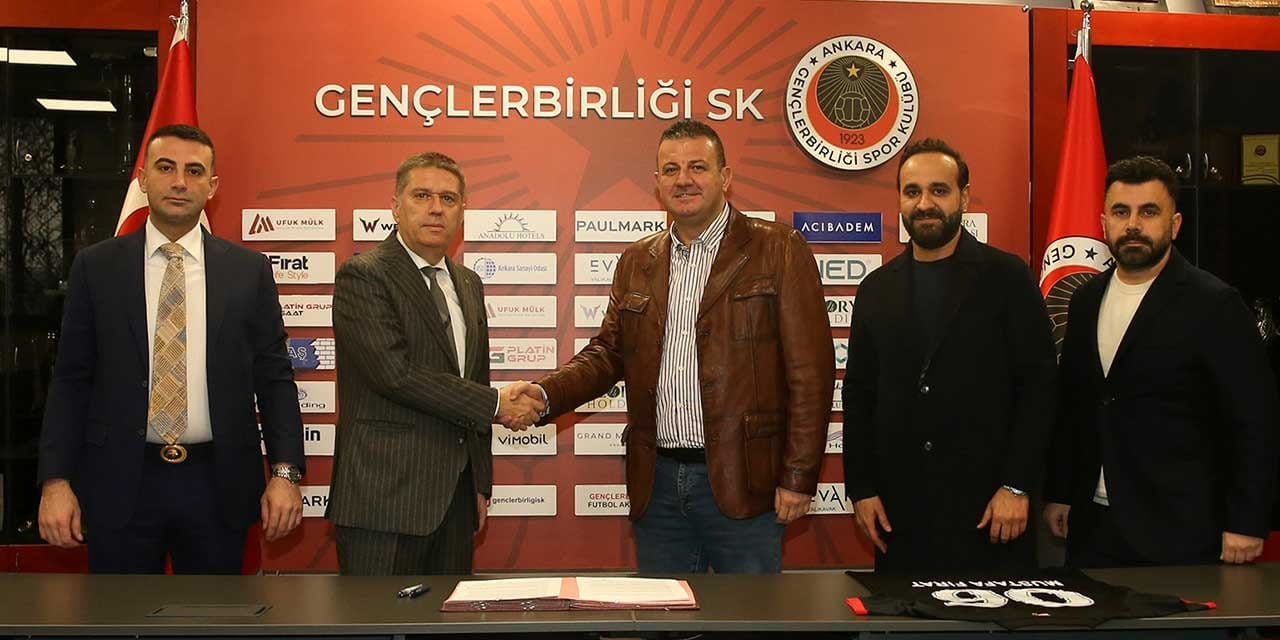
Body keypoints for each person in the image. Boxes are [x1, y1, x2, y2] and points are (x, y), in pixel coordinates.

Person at [509, 119, 834, 573]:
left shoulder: (778, 248)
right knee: (664, 611)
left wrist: (798, 475)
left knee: (750, 613)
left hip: (746, 481)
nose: (684, 180)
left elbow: (811, 374)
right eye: (671, 169)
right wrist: (545, 394)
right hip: (657, 484)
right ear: (657, 182)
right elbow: (608, 354)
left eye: (697, 167)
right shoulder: (637, 260)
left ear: (725, 177)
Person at [37, 124, 305, 573]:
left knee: (214, 611)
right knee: (119, 612)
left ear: (212, 186)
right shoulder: (96, 267)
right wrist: (55, 481)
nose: (180, 181)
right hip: (119, 482)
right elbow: (70, 381)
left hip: (217, 485)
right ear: (143, 179)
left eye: (194, 171)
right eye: (166, 168)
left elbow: (275, 379)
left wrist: (285, 473)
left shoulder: (248, 271)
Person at [1045, 156, 1279, 567]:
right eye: (1121, 212)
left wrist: (1246, 520)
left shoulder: (1215, 304)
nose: (1133, 224)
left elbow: (1254, 420)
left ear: (1174, 224)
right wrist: (1060, 492)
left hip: (1181, 528)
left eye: (1148, 212)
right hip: (1092, 526)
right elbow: (1075, 407)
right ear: (1104, 223)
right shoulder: (1085, 301)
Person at [843, 138, 1057, 572]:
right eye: (912, 191)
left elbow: (1039, 389)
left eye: (939, 190)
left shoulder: (1007, 277)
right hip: (901, 517)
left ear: (964, 197)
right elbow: (860, 396)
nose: (925, 203)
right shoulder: (876, 289)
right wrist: (862, 489)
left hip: (990, 513)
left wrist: (1017, 486)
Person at [325, 151, 543, 575]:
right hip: (383, 501)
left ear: (463, 211)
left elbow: (474, 377)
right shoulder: (364, 275)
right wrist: (496, 403)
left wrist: (480, 483)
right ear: (396, 206)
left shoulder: (468, 283)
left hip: (455, 502)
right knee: (377, 614)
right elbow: (395, 374)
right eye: (422, 195)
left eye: (448, 198)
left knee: (448, 613)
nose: (436, 208)